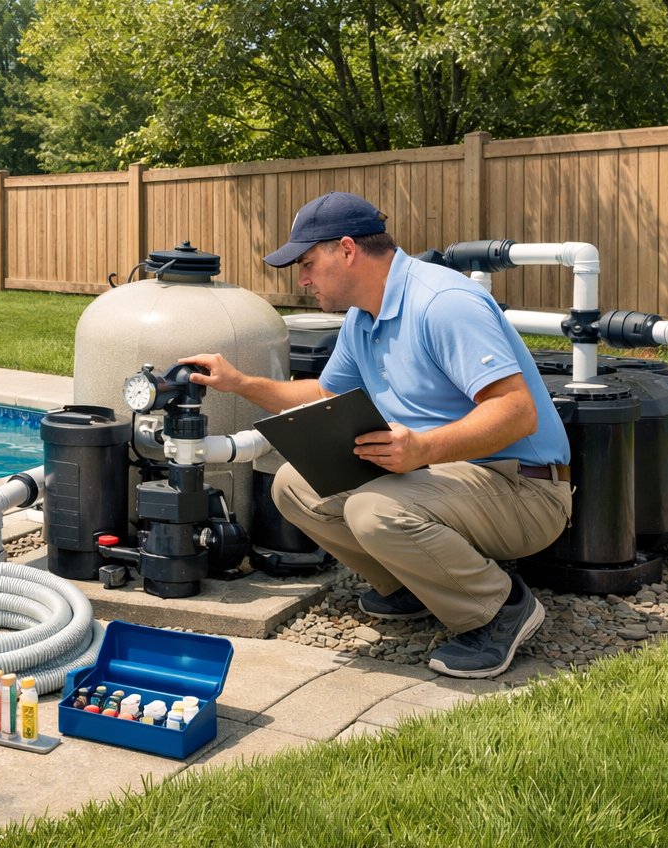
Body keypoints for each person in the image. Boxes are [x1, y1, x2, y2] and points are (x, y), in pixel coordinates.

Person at [182, 191, 572, 679]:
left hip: (525, 488)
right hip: (445, 479)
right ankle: (416, 583)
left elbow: (517, 414)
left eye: (306, 262)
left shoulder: (442, 303)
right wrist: (240, 383)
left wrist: (422, 448)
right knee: (294, 486)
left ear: (346, 249)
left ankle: (499, 610)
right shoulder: (364, 317)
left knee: (374, 509)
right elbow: (325, 392)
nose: (301, 279)